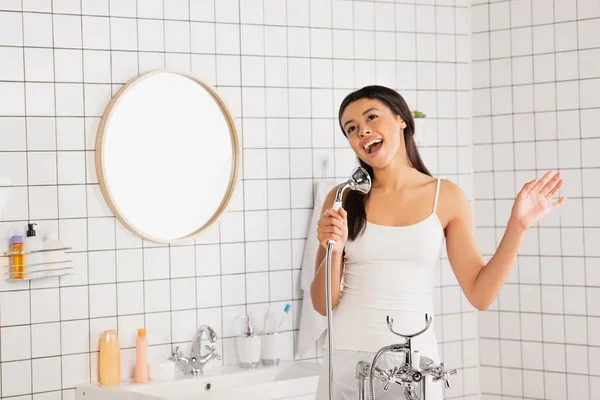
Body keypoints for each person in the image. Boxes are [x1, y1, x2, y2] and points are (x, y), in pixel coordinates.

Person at [310, 85, 566, 399]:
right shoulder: (342, 198)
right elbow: (322, 305)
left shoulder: (444, 197)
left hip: (413, 363)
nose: (362, 130)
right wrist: (334, 248)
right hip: (347, 362)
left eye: (371, 117)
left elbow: (480, 295)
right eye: (351, 128)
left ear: (401, 119)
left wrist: (518, 226)